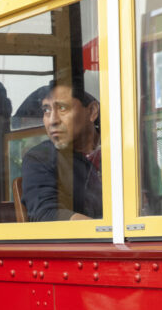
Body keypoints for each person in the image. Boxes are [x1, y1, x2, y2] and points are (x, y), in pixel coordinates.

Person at [21, 80, 102, 221]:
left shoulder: (121, 148)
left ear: (92, 111)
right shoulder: (40, 158)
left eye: (62, 108)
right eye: (46, 110)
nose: (52, 120)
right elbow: (46, 214)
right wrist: (106, 232)